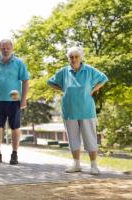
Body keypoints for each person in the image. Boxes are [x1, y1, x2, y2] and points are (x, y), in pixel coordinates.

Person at [47, 46, 108, 175]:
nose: (74, 59)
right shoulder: (64, 72)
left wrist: (92, 90)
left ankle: (93, 165)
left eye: (76, 57)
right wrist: (62, 88)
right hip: (69, 110)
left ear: (80, 57)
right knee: (73, 139)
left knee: (90, 137)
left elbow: (103, 79)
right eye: (71, 57)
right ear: (68, 59)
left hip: (86, 110)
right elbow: (50, 82)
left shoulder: (89, 70)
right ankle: (76, 164)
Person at [0, 39, 29, 165]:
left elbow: (25, 81)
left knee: (15, 127)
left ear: (11, 48)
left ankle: (14, 154)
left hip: (14, 101)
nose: (5, 50)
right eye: (3, 48)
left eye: (7, 48)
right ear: (0, 48)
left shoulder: (19, 63)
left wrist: (24, 99)